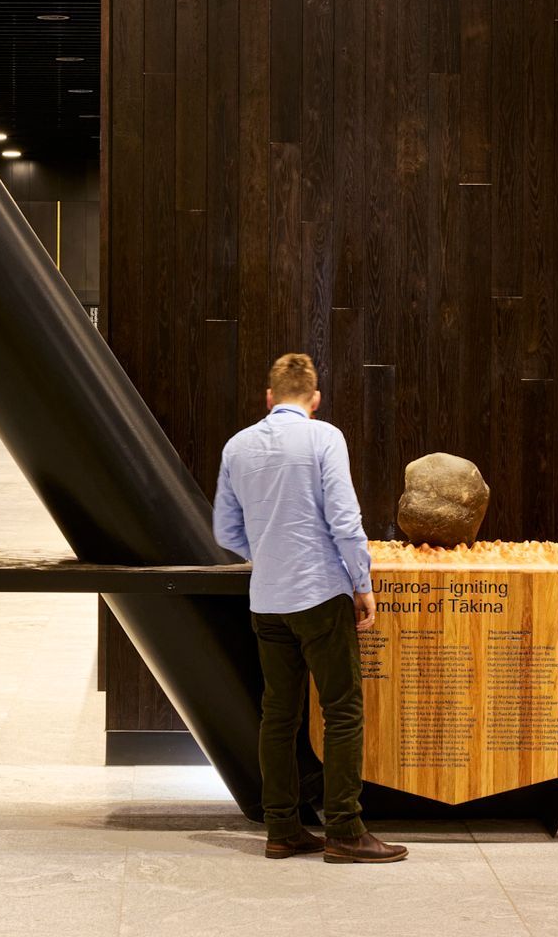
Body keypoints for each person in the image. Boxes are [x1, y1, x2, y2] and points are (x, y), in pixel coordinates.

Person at [213, 353, 408, 865]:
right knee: (342, 711)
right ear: (315, 399)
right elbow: (345, 518)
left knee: (278, 715)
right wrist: (362, 583)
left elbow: (225, 531)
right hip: (321, 595)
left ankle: (281, 829)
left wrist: (267, 551)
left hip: (267, 600)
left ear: (269, 396)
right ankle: (344, 830)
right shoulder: (324, 438)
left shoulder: (237, 446)